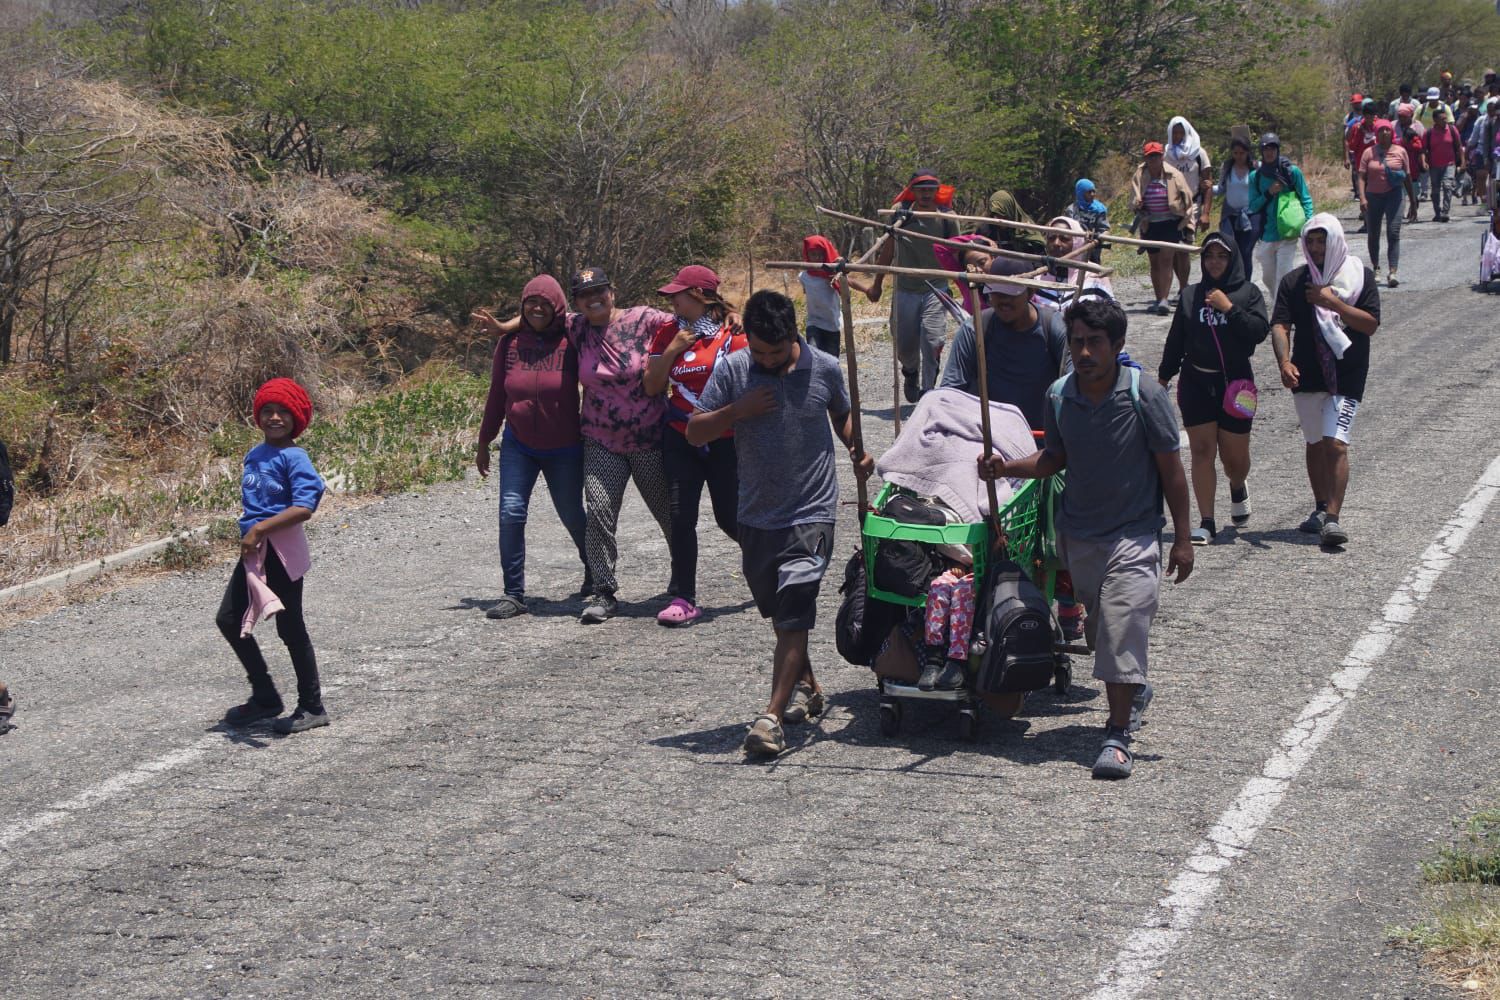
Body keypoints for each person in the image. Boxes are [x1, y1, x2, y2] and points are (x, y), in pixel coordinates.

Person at [979, 296, 1193, 780]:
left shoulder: (1145, 395)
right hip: (1080, 537)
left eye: (1095, 342)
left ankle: (1116, 736)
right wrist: (1005, 467)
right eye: (1077, 342)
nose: (1084, 351)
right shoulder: (1059, 396)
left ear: (1117, 346)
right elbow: (1054, 458)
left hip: (1135, 535)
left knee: (1120, 625)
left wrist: (1183, 538)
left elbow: (1172, 472)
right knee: (1102, 634)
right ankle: (1133, 688)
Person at [687, 290, 872, 757]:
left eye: (774, 351)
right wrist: (736, 412)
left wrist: (856, 447)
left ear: (794, 334)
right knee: (779, 614)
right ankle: (808, 685)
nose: (765, 360)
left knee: (795, 605)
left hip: (813, 512)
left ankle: (770, 718)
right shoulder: (733, 369)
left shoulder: (825, 367)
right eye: (758, 351)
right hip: (757, 515)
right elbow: (694, 430)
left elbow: (842, 414)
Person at [471, 274, 588, 621]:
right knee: (510, 514)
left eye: (545, 303)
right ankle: (513, 593)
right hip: (518, 444)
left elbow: (580, 317)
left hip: (565, 446)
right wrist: (483, 441)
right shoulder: (509, 345)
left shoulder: (572, 339)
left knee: (572, 515)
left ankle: (597, 572)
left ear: (558, 307)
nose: (537, 308)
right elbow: (496, 395)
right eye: (530, 302)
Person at [217, 378, 329, 735]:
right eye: (268, 410)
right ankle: (265, 697)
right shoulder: (255, 454)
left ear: (297, 419)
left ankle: (312, 706)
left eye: (284, 412)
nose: (275, 417)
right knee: (229, 619)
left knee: (290, 627)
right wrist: (253, 534)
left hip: (280, 552)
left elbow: (304, 507)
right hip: (256, 550)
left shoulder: (295, 457)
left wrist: (261, 529)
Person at [566, 267, 677, 623]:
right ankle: (603, 591)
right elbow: (535, 314)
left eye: (599, 290)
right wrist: (505, 329)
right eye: (585, 294)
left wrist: (730, 315)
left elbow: (690, 319)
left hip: (650, 438)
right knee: (598, 512)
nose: (593, 298)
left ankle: (683, 577)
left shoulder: (644, 319)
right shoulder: (576, 328)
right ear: (577, 302)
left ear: (612, 291)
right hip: (600, 441)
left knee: (668, 512)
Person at [644, 265, 747, 627]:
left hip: (724, 440)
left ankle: (770, 561)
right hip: (679, 436)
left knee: (729, 516)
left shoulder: (733, 334)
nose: (672, 300)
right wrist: (672, 350)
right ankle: (683, 596)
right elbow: (652, 386)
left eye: (678, 293)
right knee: (680, 516)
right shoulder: (668, 332)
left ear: (700, 296)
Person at [1270, 214, 1380, 548]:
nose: (1316, 248)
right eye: (1311, 242)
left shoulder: (1359, 277)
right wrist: (1284, 361)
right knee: (1315, 442)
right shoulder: (1293, 282)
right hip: (1306, 373)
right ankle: (1319, 507)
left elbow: (1370, 324)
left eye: (1322, 241)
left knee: (1336, 443)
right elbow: (1280, 325)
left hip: (1347, 373)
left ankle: (1333, 519)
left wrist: (1332, 302)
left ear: (1334, 240)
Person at [1157, 233, 1269, 544]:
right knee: (1202, 451)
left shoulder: (1248, 293)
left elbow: (1258, 332)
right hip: (1196, 382)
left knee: (1235, 459)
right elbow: (1176, 340)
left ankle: (1237, 483)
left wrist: (1229, 308)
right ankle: (1206, 521)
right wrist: (1163, 378)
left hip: (1238, 384)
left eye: (1222, 256)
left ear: (1232, 259)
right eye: (1209, 256)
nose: (1215, 262)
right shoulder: (1192, 295)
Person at [876, 170, 959, 402]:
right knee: (904, 345)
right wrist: (877, 283)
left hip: (936, 287)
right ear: (913, 190)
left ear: (936, 191)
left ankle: (928, 392)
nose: (925, 193)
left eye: (930, 189)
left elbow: (958, 250)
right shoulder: (900, 215)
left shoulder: (947, 217)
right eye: (921, 189)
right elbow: (888, 249)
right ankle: (910, 371)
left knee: (933, 340)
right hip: (906, 288)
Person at [1131, 141, 1193, 315]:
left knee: (1166, 260)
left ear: (1162, 156)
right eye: (1151, 156)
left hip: (1170, 222)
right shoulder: (1140, 174)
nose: (1154, 159)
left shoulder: (1174, 175)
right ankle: (1159, 298)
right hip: (1149, 223)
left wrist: (1187, 221)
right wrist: (1137, 204)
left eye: (1157, 155)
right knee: (1154, 262)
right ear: (1146, 157)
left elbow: (1187, 199)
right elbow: (1133, 199)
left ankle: (1165, 299)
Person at [1248, 133, 1315, 295]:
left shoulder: (1292, 172)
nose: (1269, 152)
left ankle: (1282, 314)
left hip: (1288, 233)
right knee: (1268, 278)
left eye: (1273, 148)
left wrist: (1309, 224)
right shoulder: (1255, 177)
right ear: (1261, 152)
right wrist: (1269, 193)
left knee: (1283, 276)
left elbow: (1305, 198)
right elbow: (1252, 206)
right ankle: (1281, 304)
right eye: (1266, 149)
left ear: (1278, 150)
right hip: (1267, 234)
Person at [1355, 119, 1417, 288]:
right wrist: (1362, 198)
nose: (1384, 133)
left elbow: (1408, 178)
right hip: (1373, 197)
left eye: (1387, 130)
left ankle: (1393, 271)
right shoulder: (1369, 152)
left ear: (1392, 132)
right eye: (1381, 130)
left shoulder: (1401, 151)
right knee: (1373, 234)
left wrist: (1413, 201)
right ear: (1376, 133)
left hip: (1395, 196)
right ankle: (1376, 268)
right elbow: (1361, 177)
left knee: (1393, 231)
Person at [798, 235, 880, 356]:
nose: (816, 258)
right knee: (813, 353)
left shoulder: (831, 273)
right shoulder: (804, 276)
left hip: (832, 324)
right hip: (814, 322)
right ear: (807, 255)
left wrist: (867, 290)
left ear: (825, 254)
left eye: (820, 254)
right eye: (813, 254)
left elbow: (849, 281)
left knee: (832, 358)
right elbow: (806, 291)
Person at [1164, 116, 1213, 298]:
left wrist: (1206, 213)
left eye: (1180, 132)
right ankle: (1182, 286)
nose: (1177, 136)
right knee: (1173, 248)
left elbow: (1208, 184)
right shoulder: (1166, 154)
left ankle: (1184, 287)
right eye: (1174, 133)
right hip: (1169, 206)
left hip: (1191, 205)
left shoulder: (1199, 153)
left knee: (1183, 248)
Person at [1214, 135, 1258, 280]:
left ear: (1248, 152)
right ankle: (1233, 283)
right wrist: (1207, 188)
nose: (1239, 156)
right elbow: (1221, 189)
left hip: (1249, 216)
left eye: (1242, 153)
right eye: (1236, 153)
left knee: (1246, 252)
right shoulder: (1227, 167)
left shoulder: (1255, 168)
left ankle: (1246, 284)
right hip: (1230, 215)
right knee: (1230, 251)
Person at [1425, 105, 1465, 222]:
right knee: (1435, 190)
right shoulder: (1429, 133)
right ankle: (1437, 212)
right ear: (1435, 120)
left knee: (1447, 186)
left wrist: (1463, 162)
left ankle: (1445, 211)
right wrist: (1424, 162)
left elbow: (1459, 147)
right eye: (1442, 119)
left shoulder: (1452, 130)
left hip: (1449, 164)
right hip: (1434, 165)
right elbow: (1423, 150)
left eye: (1445, 118)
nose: (1445, 121)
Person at [977, 189, 1046, 255]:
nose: (997, 219)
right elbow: (973, 241)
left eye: (1002, 215)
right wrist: (986, 240)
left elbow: (1039, 254)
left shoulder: (1027, 229)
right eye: (995, 214)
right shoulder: (987, 229)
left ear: (1010, 211)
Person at [1346, 99, 1380, 230]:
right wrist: (1359, 133)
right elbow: (1352, 145)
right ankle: (1367, 223)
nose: (1371, 118)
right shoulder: (1357, 127)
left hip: (1377, 166)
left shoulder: (1380, 126)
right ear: (1364, 116)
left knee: (1376, 195)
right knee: (1364, 194)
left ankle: (1376, 219)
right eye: (1368, 116)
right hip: (1362, 166)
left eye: (1373, 116)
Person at [1064, 178, 1112, 262]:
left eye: (1093, 191)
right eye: (1089, 192)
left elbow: (1106, 230)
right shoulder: (1071, 210)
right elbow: (1067, 230)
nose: (1093, 194)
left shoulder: (1099, 209)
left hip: (1093, 250)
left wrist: (1096, 240)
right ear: (1080, 193)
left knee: (1092, 272)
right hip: (1075, 250)